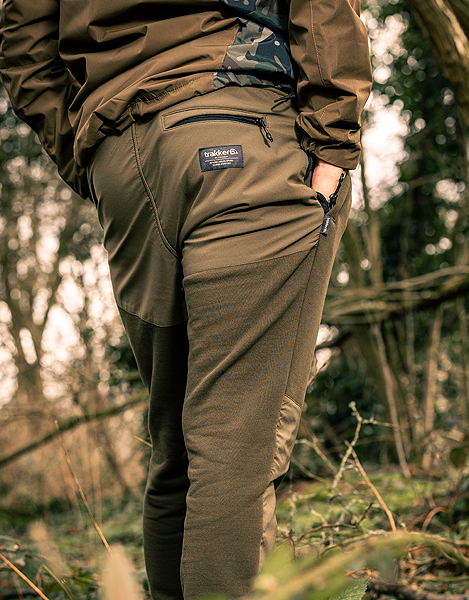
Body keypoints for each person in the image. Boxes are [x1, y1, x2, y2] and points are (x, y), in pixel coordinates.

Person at [0, 1, 372, 598]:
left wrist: (88, 155)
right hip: (244, 128)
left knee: (176, 448)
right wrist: (333, 139)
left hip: (125, 160)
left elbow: (22, 37)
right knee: (236, 450)